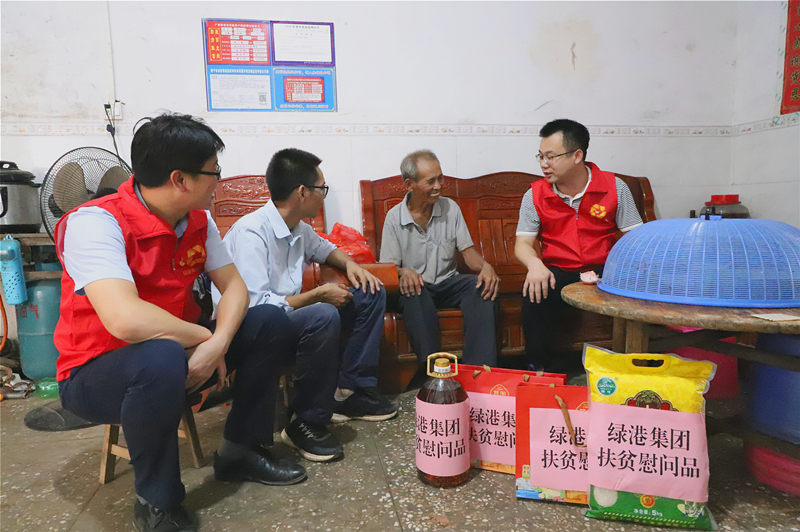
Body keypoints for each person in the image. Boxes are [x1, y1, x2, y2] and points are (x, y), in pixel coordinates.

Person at [54, 113, 305, 532]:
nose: (218, 181)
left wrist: (218, 342)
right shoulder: (96, 222)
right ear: (180, 179)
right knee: (160, 357)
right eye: (214, 172)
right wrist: (206, 337)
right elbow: (125, 319)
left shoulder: (197, 221)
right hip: (97, 371)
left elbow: (236, 289)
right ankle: (158, 501)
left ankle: (240, 451)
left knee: (269, 322)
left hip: (182, 352)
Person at [213, 148, 397, 464]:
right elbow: (256, 306)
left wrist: (351, 265)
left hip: (285, 317)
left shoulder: (298, 227)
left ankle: (348, 392)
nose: (324, 195)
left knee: (370, 292)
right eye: (321, 188)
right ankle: (305, 422)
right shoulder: (251, 233)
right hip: (253, 327)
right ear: (302, 192)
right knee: (322, 314)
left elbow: (325, 249)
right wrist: (317, 296)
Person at [514, 119, 643, 372]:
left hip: (607, 270)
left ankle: (633, 363)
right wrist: (534, 264)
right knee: (535, 291)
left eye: (551, 156)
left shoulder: (614, 187)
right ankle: (540, 368)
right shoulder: (535, 194)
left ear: (577, 155)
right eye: (540, 156)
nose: (543, 164)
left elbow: (637, 239)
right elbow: (523, 243)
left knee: (640, 290)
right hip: (558, 271)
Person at [379, 150, 501, 367]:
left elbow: (468, 253)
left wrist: (486, 267)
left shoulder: (450, 208)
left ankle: (478, 370)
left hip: (447, 283)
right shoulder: (394, 218)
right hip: (417, 288)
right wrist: (403, 271)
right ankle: (433, 370)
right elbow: (389, 268)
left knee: (482, 287)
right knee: (413, 292)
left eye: (440, 178)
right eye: (431, 181)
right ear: (409, 185)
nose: (439, 186)